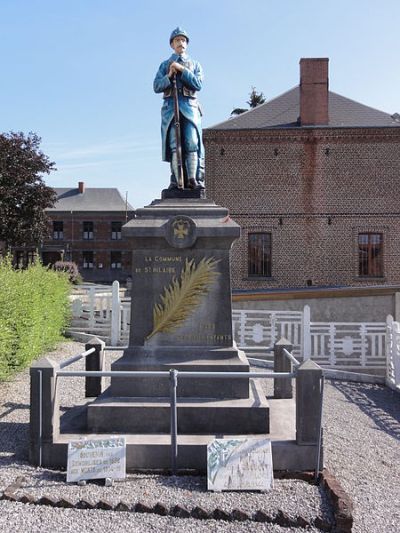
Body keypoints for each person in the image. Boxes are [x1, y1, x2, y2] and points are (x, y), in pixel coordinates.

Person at [153, 27, 204, 190]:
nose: (180, 43)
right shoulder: (164, 64)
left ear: (187, 44)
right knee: (175, 145)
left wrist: (182, 70)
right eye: (177, 40)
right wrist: (169, 74)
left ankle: (193, 179)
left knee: (192, 142)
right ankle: (177, 180)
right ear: (172, 44)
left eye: (183, 40)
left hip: (189, 107)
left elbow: (198, 84)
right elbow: (156, 86)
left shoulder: (195, 64)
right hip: (170, 109)